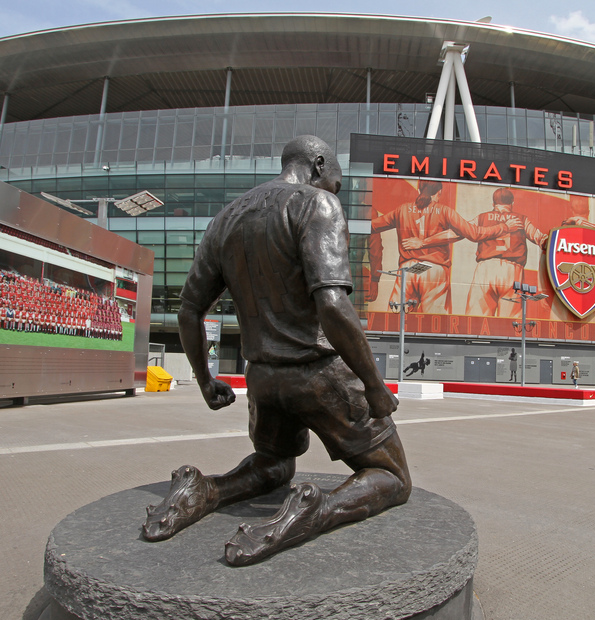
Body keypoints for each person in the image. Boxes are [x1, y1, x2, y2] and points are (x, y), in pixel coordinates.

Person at [143, 135, 410, 567]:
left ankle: (205, 488)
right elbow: (332, 305)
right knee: (393, 477)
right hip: (319, 373)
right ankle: (315, 509)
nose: (333, 193)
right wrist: (373, 385)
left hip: (264, 379)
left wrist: (206, 380)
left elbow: (189, 310)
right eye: (335, 184)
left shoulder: (226, 219)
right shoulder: (316, 205)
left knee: (274, 466)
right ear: (319, 164)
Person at [370, 180, 509, 314]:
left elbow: (371, 226)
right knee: (432, 324)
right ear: (439, 193)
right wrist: (504, 227)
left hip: (407, 270)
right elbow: (475, 234)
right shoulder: (445, 211)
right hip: (434, 271)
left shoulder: (402, 210)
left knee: (396, 323)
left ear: (419, 191)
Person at [464, 187, 545, 317]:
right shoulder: (521, 219)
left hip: (485, 268)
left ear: (493, 204)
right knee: (510, 325)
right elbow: (540, 238)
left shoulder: (482, 217)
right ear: (512, 203)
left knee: (476, 321)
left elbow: (464, 230)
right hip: (512, 271)